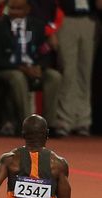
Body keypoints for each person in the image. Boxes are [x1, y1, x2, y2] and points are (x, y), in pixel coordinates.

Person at [0, 0, 62, 134]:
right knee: (17, 77)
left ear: (28, 9)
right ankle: (28, 125)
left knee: (54, 77)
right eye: (12, 9)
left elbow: (44, 52)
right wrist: (21, 68)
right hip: (8, 70)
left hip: (33, 68)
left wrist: (40, 67)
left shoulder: (37, 26)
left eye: (19, 9)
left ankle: (49, 125)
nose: (14, 13)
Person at [53, 0, 93, 137]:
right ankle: (64, 120)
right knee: (67, 71)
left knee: (85, 73)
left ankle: (83, 120)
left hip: (88, 20)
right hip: (67, 19)